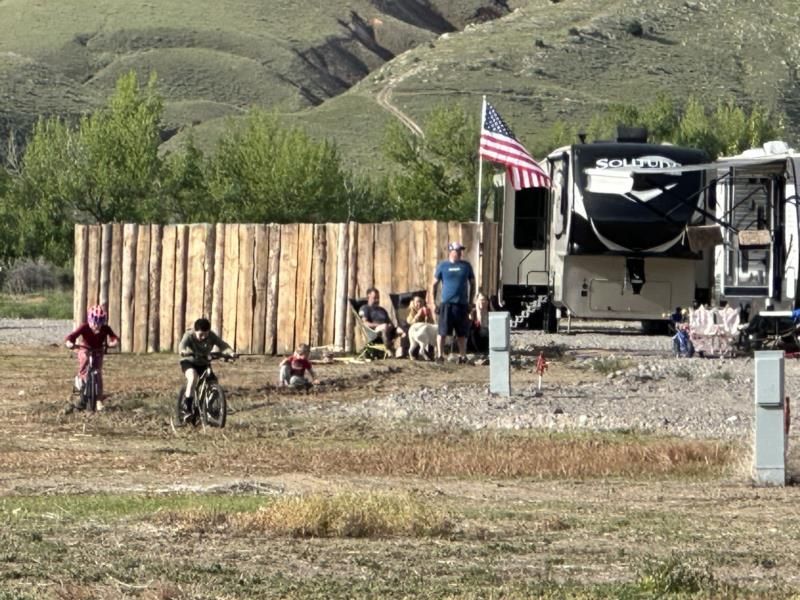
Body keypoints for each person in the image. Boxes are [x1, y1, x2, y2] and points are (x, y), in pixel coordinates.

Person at [178, 317, 236, 423]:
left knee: (213, 382)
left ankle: (209, 408)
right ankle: (187, 409)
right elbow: (182, 345)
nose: (203, 337)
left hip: (204, 363)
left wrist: (230, 352)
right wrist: (183, 351)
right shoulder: (189, 335)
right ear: (195, 331)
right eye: (200, 335)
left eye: (206, 334)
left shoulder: (211, 336)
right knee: (192, 378)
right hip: (189, 362)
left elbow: (222, 345)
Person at [65, 304, 119, 411]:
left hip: (98, 350)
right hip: (85, 348)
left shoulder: (105, 328)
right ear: (90, 320)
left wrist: (114, 343)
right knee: (84, 358)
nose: (96, 326)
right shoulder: (84, 327)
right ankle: (81, 382)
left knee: (97, 372)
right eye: (94, 323)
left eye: (99, 323)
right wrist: (69, 343)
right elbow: (72, 336)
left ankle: (98, 399)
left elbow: (114, 337)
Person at [431, 241, 475, 364]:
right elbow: (434, 284)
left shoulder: (466, 266)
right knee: (442, 331)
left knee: (462, 333)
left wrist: (471, 301)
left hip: (461, 304)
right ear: (451, 251)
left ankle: (462, 356)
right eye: (457, 251)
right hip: (446, 304)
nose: (460, 253)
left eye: (461, 251)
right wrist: (433, 302)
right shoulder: (443, 266)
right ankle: (440, 355)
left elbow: (472, 283)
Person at [358, 287, 400, 354]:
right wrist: (380, 325)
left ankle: (404, 350)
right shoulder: (365, 308)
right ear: (368, 296)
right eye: (375, 298)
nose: (377, 300)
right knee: (384, 326)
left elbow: (390, 322)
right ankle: (388, 348)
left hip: (387, 329)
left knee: (401, 330)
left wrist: (390, 325)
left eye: (378, 298)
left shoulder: (382, 310)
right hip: (374, 331)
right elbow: (365, 323)